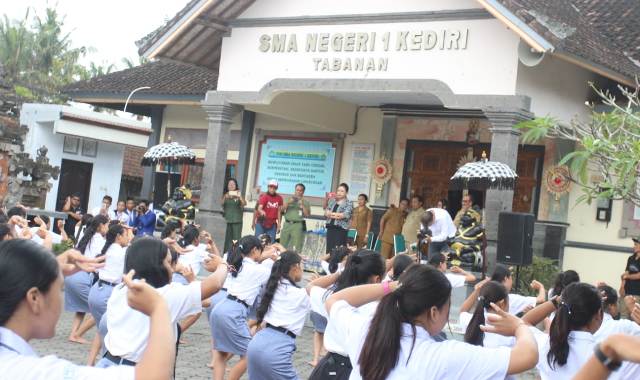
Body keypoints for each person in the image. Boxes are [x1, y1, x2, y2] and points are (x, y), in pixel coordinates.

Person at [0, 239, 176, 380]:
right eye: (59, 288)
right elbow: (153, 377)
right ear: (34, 298)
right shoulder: (31, 372)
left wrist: (45, 267)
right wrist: (158, 308)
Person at [325, 264, 538, 380]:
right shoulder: (444, 356)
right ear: (434, 312)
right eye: (448, 307)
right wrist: (520, 326)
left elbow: (335, 299)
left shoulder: (365, 332)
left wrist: (392, 287)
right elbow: (527, 356)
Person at [99, 237, 228, 368]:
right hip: (136, 371)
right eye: (168, 263)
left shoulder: (121, 288)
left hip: (108, 365)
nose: (172, 269)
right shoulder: (165, 295)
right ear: (156, 265)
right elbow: (215, 284)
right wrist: (223, 264)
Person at [308, 250, 386, 379]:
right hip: (355, 371)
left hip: (327, 368)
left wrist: (341, 273)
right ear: (377, 279)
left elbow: (310, 286)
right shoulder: (381, 309)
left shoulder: (333, 299)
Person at [210, 235, 277, 380]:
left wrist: (263, 255)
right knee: (249, 354)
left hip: (221, 307)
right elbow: (277, 275)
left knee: (221, 353)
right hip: (234, 311)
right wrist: (275, 258)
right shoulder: (258, 270)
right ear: (254, 250)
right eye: (260, 250)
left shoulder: (238, 263)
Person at [246, 251, 310, 380]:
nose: (302, 270)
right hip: (277, 349)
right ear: (295, 267)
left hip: (256, 344)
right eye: (302, 266)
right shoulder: (300, 294)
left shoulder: (273, 286)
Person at [520, 282, 603, 379]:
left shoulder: (548, 345)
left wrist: (555, 302)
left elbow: (524, 322)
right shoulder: (605, 358)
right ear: (598, 315)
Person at [65, 214, 109, 344]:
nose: (108, 228)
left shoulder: (85, 237)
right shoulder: (100, 241)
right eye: (107, 225)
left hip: (72, 275)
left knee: (81, 308)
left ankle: (73, 334)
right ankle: (77, 335)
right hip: (82, 278)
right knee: (98, 308)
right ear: (101, 226)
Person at [280, 183, 310, 252]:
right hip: (287, 224)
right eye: (297, 190)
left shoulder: (305, 202)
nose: (298, 192)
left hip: (298, 225)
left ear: (303, 192)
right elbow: (281, 210)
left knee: (297, 246)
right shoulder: (288, 199)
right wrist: (288, 203)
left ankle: (296, 261)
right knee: (282, 244)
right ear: (295, 190)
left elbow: (307, 214)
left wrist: (302, 205)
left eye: (300, 190)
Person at [324, 183, 353, 253]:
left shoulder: (349, 203)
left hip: (340, 230)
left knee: (338, 250)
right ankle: (329, 263)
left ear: (346, 192)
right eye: (338, 191)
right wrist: (335, 215)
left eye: (342, 191)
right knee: (329, 250)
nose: (339, 193)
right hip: (331, 228)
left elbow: (344, 215)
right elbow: (326, 213)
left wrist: (331, 214)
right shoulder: (332, 201)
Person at [221, 178, 246, 253]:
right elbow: (221, 204)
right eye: (230, 184)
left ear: (236, 186)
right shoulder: (225, 194)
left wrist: (239, 196)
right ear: (227, 186)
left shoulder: (238, 194)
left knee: (236, 239)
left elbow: (244, 203)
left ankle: (235, 253)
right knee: (227, 239)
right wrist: (225, 196)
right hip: (227, 220)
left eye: (233, 184)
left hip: (237, 220)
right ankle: (226, 253)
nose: (231, 185)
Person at [620, 237, 640, 318]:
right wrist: (622, 287)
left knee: (635, 316)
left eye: (636, 245)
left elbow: (639, 275)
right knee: (623, 315)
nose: (633, 246)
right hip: (627, 291)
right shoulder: (631, 258)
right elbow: (626, 273)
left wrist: (627, 276)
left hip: (637, 293)